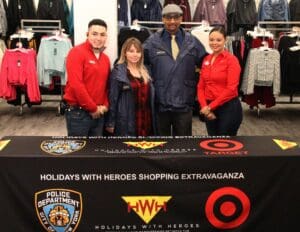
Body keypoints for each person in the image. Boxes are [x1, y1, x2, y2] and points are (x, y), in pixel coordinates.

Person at [143, 4, 207, 136]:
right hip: (161, 101)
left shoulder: (192, 41)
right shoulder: (152, 42)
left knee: (183, 144)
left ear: (181, 18)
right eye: (168, 18)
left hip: (184, 102)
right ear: (163, 19)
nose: (172, 21)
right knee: (161, 144)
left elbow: (206, 64)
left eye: (176, 17)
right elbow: (138, 64)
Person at [63, 19, 110, 136]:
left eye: (102, 35)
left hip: (99, 114)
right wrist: (92, 108)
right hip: (78, 115)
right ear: (87, 34)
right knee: (79, 153)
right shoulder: (76, 52)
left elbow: (107, 86)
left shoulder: (105, 59)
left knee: (96, 153)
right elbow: (76, 85)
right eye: (94, 34)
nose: (98, 38)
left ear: (106, 37)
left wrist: (105, 105)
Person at [197, 26, 243, 136]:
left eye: (218, 40)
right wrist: (204, 106)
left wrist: (210, 107)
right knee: (212, 142)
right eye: (211, 40)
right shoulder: (206, 59)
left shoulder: (231, 60)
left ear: (225, 40)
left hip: (228, 107)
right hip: (209, 108)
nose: (214, 43)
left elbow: (231, 88)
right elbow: (201, 86)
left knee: (226, 146)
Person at [105, 37, 156, 136]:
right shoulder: (118, 72)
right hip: (127, 122)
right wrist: (110, 122)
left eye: (138, 51)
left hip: (146, 121)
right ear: (125, 52)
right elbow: (113, 99)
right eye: (131, 51)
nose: (135, 54)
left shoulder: (146, 71)